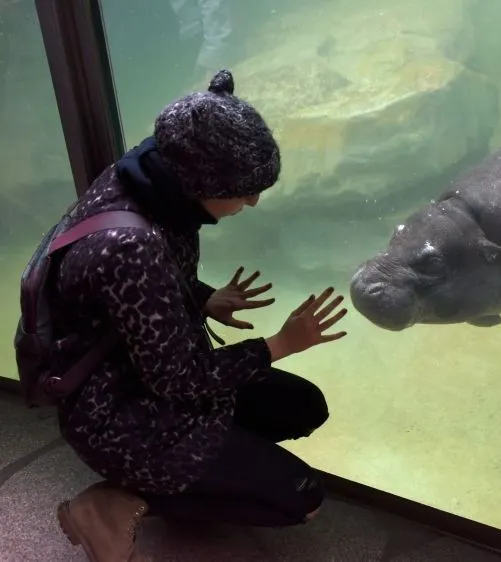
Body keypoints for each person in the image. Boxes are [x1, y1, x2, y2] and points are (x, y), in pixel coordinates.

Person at [51, 69, 348, 562]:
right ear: (201, 181)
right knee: (303, 500)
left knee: (304, 405)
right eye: (245, 188)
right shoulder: (131, 245)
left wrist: (201, 297)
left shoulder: (150, 184)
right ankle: (115, 501)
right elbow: (178, 379)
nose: (252, 200)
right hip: (119, 415)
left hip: (136, 379)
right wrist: (280, 344)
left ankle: (214, 467)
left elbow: (127, 300)